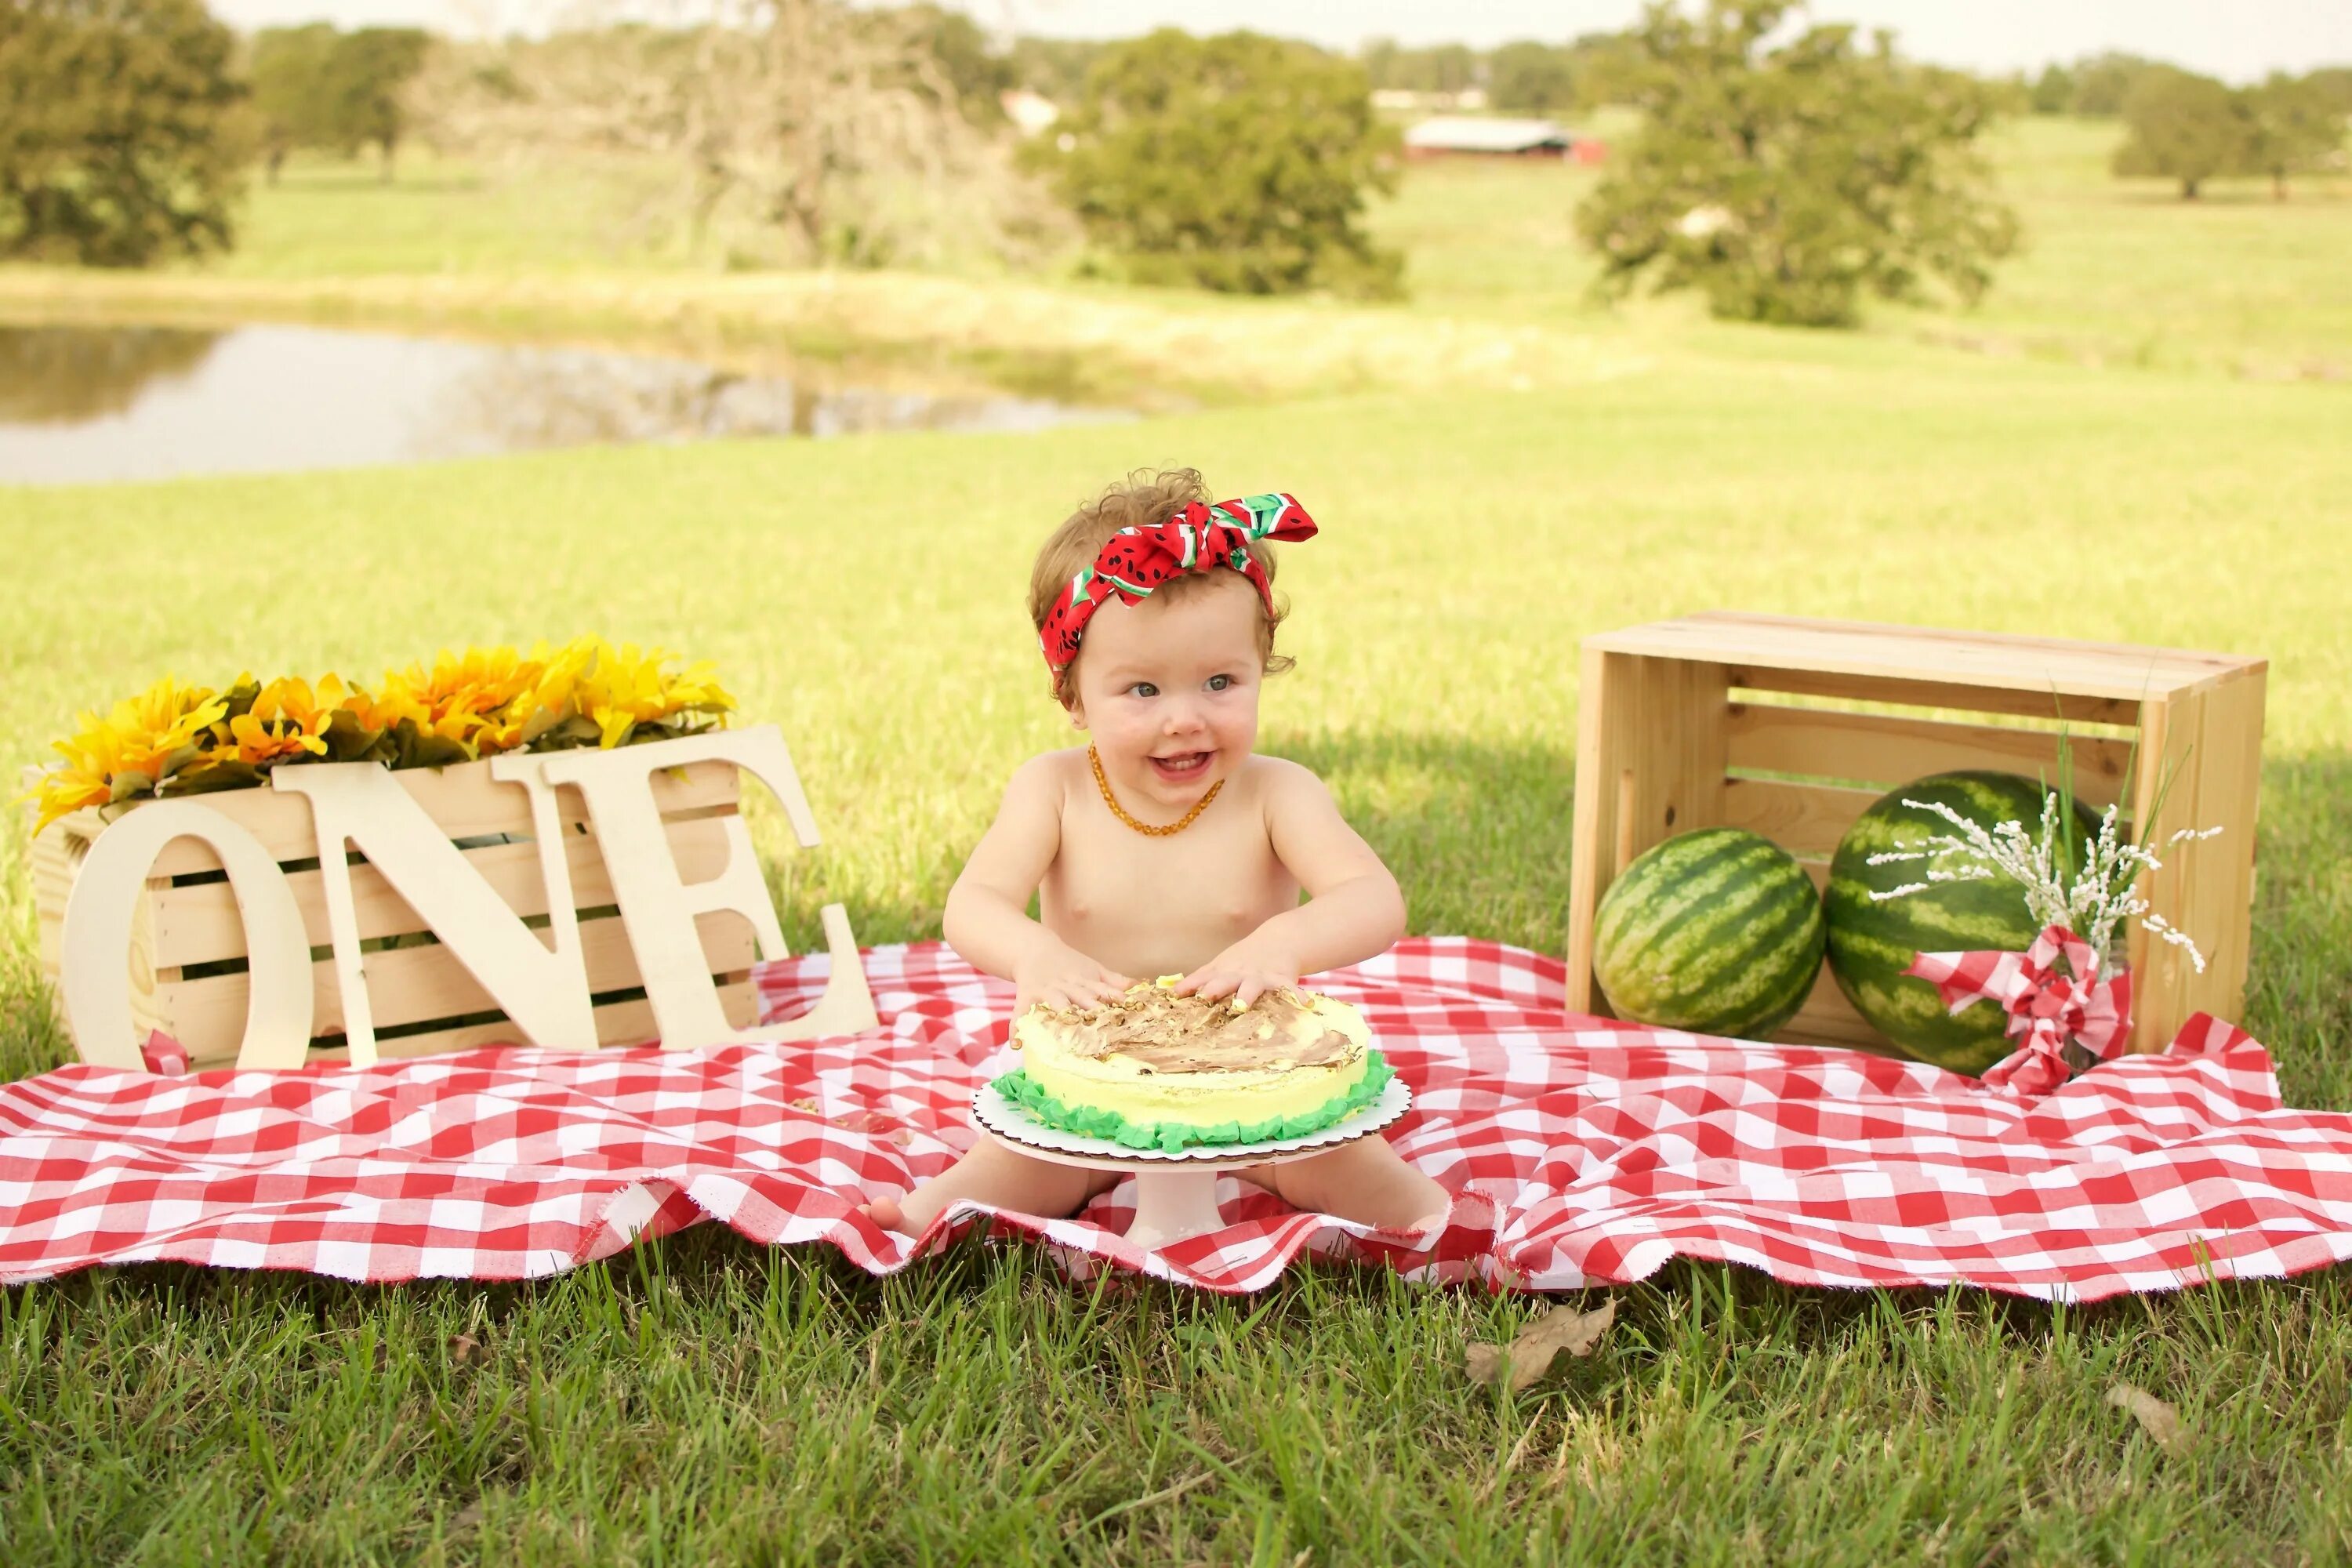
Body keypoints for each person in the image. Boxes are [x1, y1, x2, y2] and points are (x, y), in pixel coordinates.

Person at [863, 470, 1450, 1239]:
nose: (1185, 718)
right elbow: (973, 903)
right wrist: (1035, 954)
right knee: (1010, 1165)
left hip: (1252, 1082)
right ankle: (917, 1223)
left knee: (1350, 1163)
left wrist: (1283, 943)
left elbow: (1373, 898)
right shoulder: (1055, 790)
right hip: (1099, 1079)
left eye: (1219, 681)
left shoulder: (1278, 793)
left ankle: (1445, 1236)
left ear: (1260, 668)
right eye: (1142, 690)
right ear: (1073, 696)